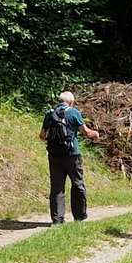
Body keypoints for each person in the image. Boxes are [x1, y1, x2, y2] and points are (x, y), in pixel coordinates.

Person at [40, 88, 88, 225]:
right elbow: (86, 132)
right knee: (77, 184)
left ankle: (57, 220)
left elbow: (42, 136)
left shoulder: (49, 115)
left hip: (54, 156)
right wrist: (95, 134)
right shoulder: (74, 113)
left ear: (60, 101)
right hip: (72, 155)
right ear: (71, 102)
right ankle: (79, 216)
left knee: (57, 188)